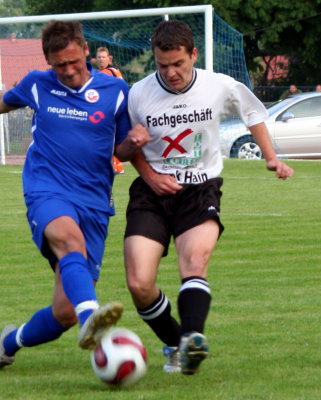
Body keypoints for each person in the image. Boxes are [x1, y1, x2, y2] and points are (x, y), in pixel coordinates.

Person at [0, 20, 149, 371]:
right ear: (48, 62)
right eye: (59, 65)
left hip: (95, 201)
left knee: (62, 312)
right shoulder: (39, 84)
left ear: (85, 50)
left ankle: (10, 342)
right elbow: (0, 101)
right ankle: (91, 317)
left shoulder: (116, 90)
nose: (67, 71)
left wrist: (134, 142)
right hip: (47, 188)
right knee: (69, 241)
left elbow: (123, 150)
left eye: (74, 62)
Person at [124, 20, 294, 376]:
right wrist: (151, 176)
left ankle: (193, 338)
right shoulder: (138, 93)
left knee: (194, 263)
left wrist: (271, 156)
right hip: (152, 193)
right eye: (162, 65)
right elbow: (127, 148)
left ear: (193, 55)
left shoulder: (219, 85)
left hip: (200, 189)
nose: (170, 73)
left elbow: (253, 114)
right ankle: (178, 343)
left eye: (178, 64)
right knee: (140, 284)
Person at [95, 46, 125, 175]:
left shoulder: (111, 72)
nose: (101, 60)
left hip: (110, 113)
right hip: (102, 113)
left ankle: (113, 166)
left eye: (103, 57)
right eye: (99, 57)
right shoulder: (98, 73)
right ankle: (113, 166)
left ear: (109, 58)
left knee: (106, 141)